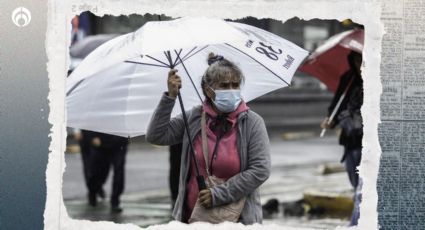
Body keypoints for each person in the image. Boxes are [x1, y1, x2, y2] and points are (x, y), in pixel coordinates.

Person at [146, 53, 271, 224]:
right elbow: (156, 135)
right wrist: (170, 97)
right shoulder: (194, 117)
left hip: (238, 221)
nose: (231, 90)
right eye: (224, 86)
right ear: (207, 89)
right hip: (192, 219)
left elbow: (260, 169)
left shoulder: (252, 122)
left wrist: (218, 194)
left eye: (235, 85)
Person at [320, 51, 363, 226]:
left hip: (371, 144)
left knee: (365, 189)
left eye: (364, 59)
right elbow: (337, 104)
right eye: (357, 60)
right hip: (351, 142)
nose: (361, 64)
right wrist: (331, 119)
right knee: (356, 185)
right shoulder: (349, 79)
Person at [87, 131, 129, 213]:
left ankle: (115, 201)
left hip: (119, 141)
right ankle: (93, 191)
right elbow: (91, 118)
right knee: (99, 172)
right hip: (101, 142)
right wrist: (93, 136)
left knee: (119, 172)